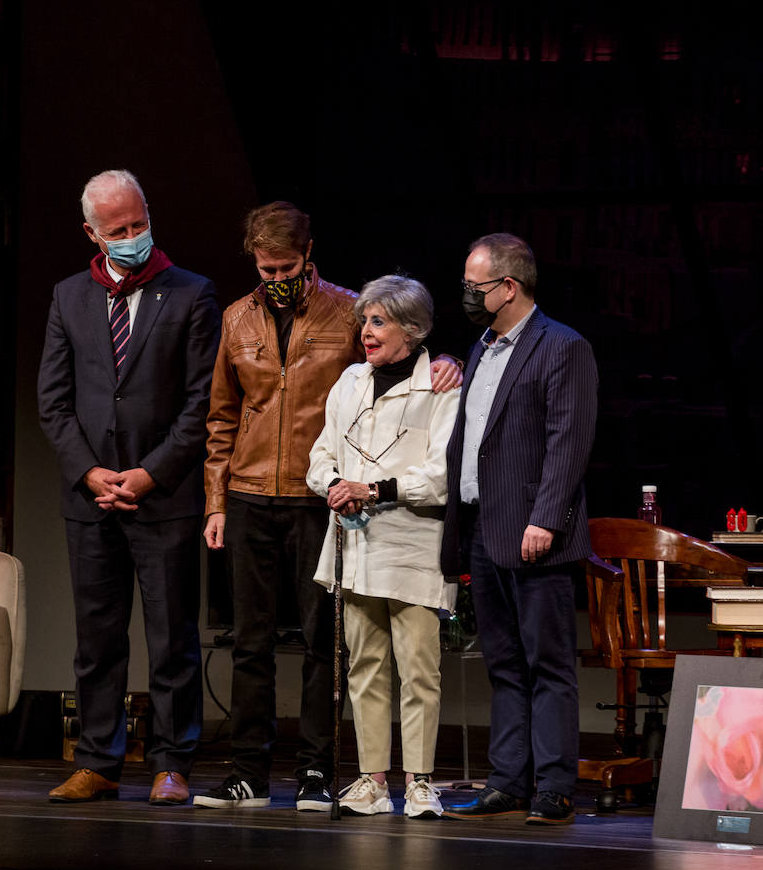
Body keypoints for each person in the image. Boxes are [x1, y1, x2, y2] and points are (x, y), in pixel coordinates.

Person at [194, 201, 461, 810]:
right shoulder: (237, 320)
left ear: (308, 255)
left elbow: (402, 360)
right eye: (265, 269)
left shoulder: (348, 313)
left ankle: (318, 772)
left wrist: (450, 361)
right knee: (250, 640)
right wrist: (215, 502)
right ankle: (248, 774)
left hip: (321, 503)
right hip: (252, 493)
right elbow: (221, 417)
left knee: (326, 642)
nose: (276, 278)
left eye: (286, 266)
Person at [38, 169, 221, 807]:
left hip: (162, 496)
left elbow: (202, 403)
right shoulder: (69, 297)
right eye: (118, 230)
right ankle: (98, 761)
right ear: (92, 233)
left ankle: (172, 764)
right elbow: (54, 402)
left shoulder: (192, 294)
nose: (132, 237)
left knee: (172, 637)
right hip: (90, 500)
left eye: (139, 224)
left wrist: (149, 474)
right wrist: (91, 473)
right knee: (97, 640)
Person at [440, 233, 597, 826]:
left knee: (548, 663)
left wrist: (546, 519)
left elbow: (569, 441)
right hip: (483, 527)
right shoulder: (482, 347)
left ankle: (553, 787)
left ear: (509, 287)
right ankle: (508, 780)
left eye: (475, 287)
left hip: (534, 532)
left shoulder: (562, 347)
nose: (467, 296)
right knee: (503, 662)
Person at [305, 274, 458, 819]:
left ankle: (419, 781)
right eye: (364, 320)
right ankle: (372, 781)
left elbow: (441, 474)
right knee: (364, 664)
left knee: (418, 667)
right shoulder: (348, 381)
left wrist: (373, 489)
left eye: (379, 321)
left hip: (413, 544)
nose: (366, 331)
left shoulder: (441, 387)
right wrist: (334, 487)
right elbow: (320, 456)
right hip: (355, 541)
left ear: (412, 330)